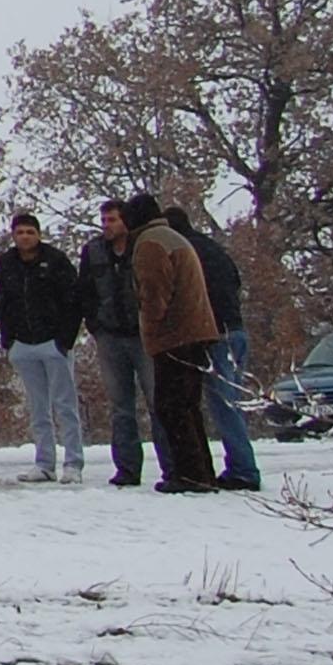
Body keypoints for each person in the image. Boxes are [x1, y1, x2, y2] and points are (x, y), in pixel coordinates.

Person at [127, 189, 221, 492]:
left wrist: (150, 327)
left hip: (175, 336)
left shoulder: (150, 244)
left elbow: (154, 294)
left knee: (172, 406)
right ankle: (203, 471)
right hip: (198, 330)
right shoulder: (174, 237)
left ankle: (189, 475)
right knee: (190, 406)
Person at [0, 210, 84, 481]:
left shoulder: (56, 261)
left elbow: (72, 301)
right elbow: (2, 302)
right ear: (13, 235)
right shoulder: (6, 264)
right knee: (38, 406)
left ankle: (73, 463)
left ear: (39, 235)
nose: (25, 237)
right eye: (20, 232)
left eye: (30, 232)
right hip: (23, 344)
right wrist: (9, 340)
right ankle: (44, 463)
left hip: (53, 343)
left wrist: (64, 340)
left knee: (65, 405)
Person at [175, 210, 260, 491]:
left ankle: (244, 470)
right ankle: (240, 463)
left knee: (224, 406)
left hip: (215, 333)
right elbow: (235, 283)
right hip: (236, 329)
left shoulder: (185, 252)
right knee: (232, 401)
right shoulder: (214, 249)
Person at [78, 200, 149, 485]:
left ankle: (170, 464)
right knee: (121, 406)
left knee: (157, 401)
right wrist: (94, 323)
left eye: (112, 220)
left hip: (142, 334)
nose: (107, 225)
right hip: (109, 334)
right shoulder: (93, 251)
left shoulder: (141, 248)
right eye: (104, 220)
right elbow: (85, 289)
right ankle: (127, 468)